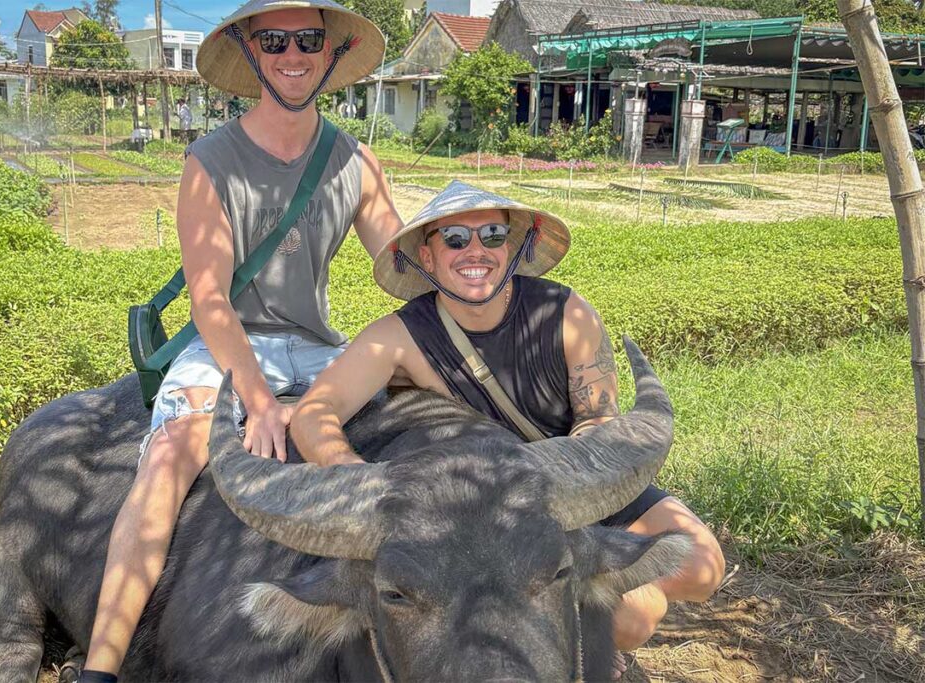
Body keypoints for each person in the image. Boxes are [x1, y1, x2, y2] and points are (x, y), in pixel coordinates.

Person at [78, 1, 401, 681]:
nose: (292, 54)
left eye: (308, 39)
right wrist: (255, 397)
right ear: (251, 53)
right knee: (168, 458)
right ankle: (100, 663)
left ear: (331, 52)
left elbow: (400, 268)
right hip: (225, 345)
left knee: (424, 432)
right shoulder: (210, 160)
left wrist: (470, 257)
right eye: (274, 40)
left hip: (317, 346)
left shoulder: (355, 162)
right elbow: (210, 298)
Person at [291, 180, 725, 679]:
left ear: (513, 247)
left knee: (701, 565)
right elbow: (314, 411)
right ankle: (586, 621)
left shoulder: (565, 312)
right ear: (427, 258)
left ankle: (585, 600)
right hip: (482, 506)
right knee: (632, 618)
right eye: (454, 238)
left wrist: (563, 512)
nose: (474, 251)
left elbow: (597, 420)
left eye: (492, 235)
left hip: (567, 480)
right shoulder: (399, 336)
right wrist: (354, 476)